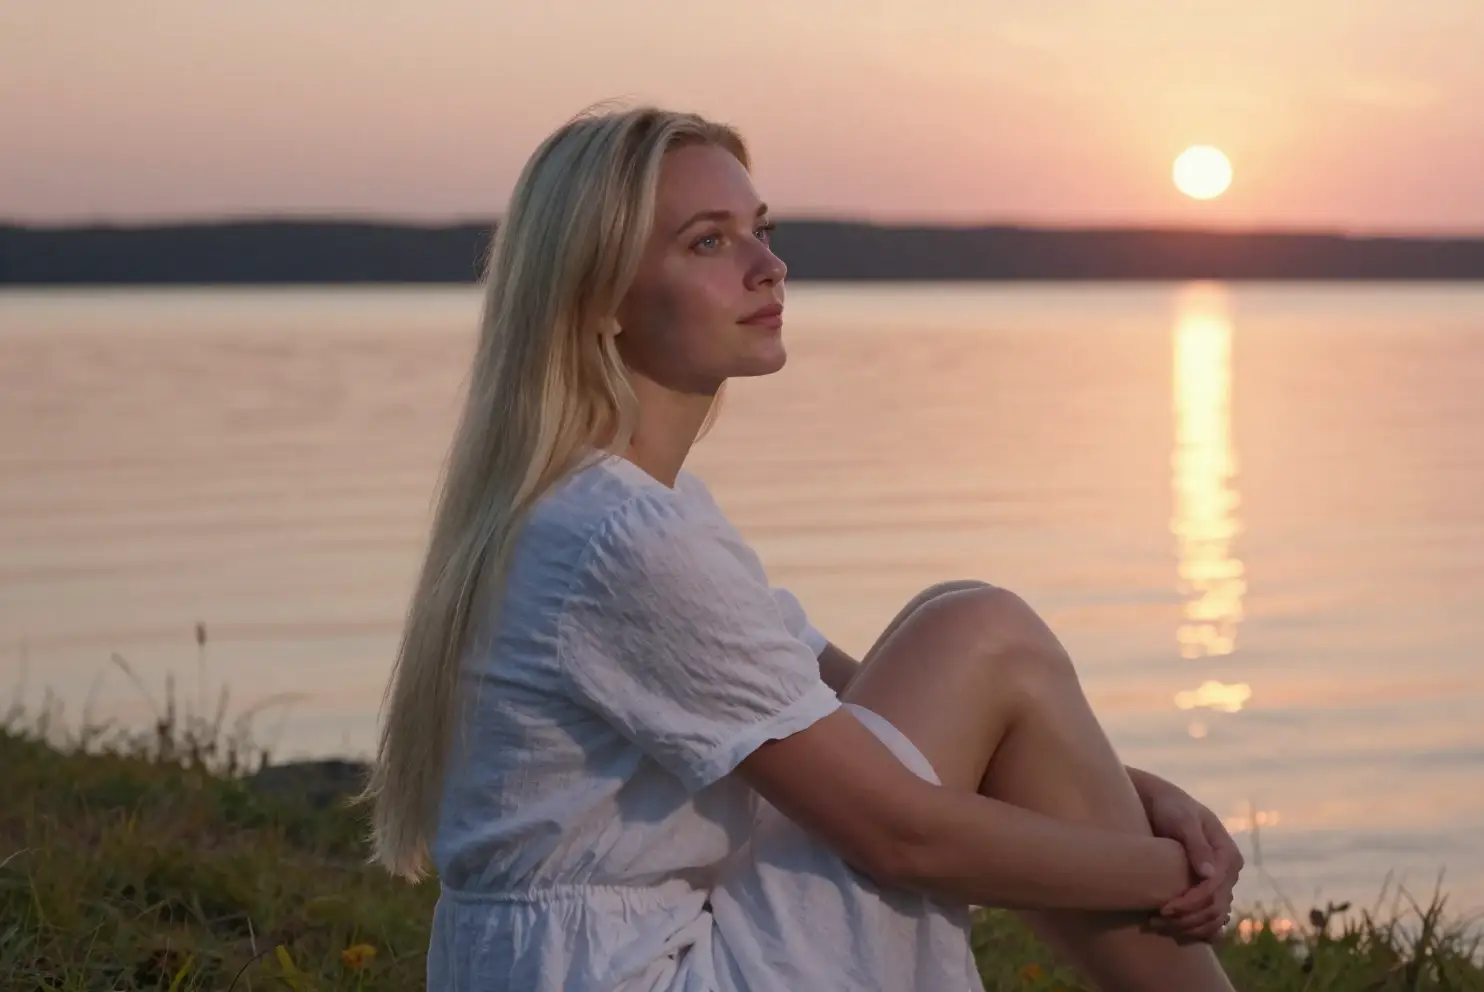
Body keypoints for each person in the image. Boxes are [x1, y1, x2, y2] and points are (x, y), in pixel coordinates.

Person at [363, 100, 1242, 992]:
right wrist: (1166, 872)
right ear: (601, 298)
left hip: (584, 959)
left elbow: (852, 708)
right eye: (709, 242)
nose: (770, 267)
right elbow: (901, 833)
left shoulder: (610, 507)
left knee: (959, 626)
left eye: (762, 230)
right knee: (982, 631)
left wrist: (1141, 799)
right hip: (630, 974)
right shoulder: (620, 537)